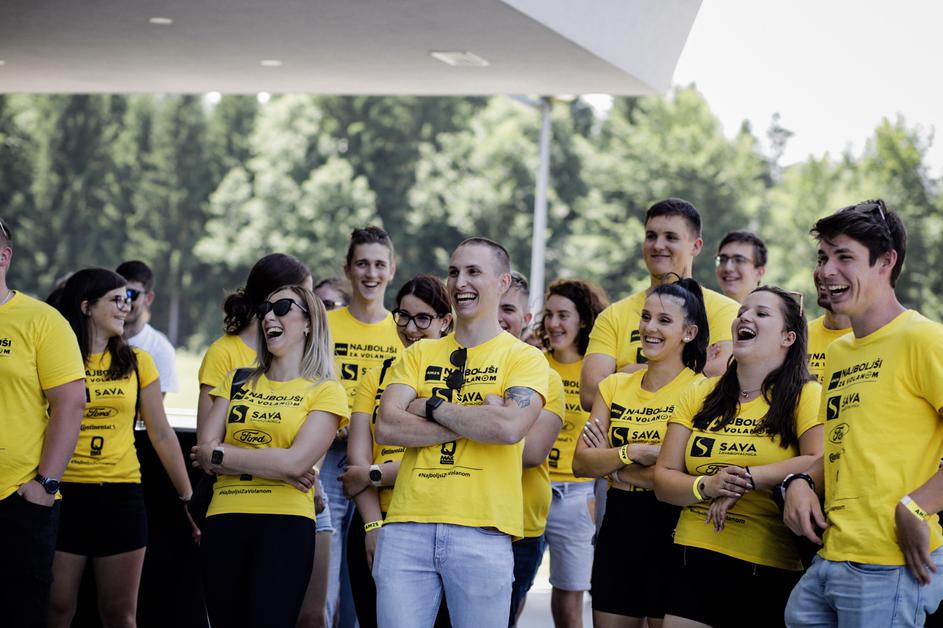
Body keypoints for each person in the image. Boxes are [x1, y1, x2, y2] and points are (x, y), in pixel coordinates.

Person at [374, 237, 549, 628]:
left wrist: (431, 406)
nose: (459, 282)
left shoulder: (525, 358)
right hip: (407, 526)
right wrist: (478, 422)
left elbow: (508, 427)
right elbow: (386, 426)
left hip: (483, 532)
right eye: (454, 272)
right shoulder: (418, 353)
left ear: (503, 282)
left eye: (473, 272)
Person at [784, 200, 943, 626]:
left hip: (892, 564)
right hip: (831, 557)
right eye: (823, 257)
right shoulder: (839, 352)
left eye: (844, 257)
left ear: (886, 261)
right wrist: (800, 481)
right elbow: (847, 448)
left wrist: (916, 506)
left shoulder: (925, 339)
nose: (826, 271)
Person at [654, 286, 823, 627]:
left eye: (761, 313)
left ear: (788, 337)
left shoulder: (806, 394)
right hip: (693, 553)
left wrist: (746, 478)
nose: (745, 317)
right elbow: (663, 479)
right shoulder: (700, 391)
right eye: (742, 311)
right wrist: (707, 485)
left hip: (768, 563)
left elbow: (819, 460)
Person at [192, 285, 349, 628]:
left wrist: (227, 455)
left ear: (309, 323)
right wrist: (279, 465)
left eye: (281, 307)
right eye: (265, 309)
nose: (268, 317)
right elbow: (205, 450)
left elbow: (297, 463)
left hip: (286, 524)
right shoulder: (236, 380)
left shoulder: (327, 390)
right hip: (224, 518)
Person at [48, 268, 195, 628]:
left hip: (121, 496)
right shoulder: (56, 358)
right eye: (116, 299)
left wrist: (189, 497)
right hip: (64, 495)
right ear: (86, 306)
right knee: (57, 608)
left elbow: (161, 434)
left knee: (119, 614)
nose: (125, 307)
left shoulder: (138, 361)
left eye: (128, 299)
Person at [573, 279, 708, 628]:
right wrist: (634, 451)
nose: (649, 327)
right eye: (646, 317)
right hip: (619, 524)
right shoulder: (614, 385)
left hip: (673, 526)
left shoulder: (702, 391)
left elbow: (684, 474)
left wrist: (612, 465)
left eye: (664, 320)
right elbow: (581, 462)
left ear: (689, 332)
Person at [341, 274, 454, 628]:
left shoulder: (456, 379)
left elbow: (445, 458)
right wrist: (373, 525)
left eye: (422, 318)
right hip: (375, 520)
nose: (410, 328)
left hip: (435, 523)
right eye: (403, 316)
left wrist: (375, 474)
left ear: (445, 321)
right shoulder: (375, 377)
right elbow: (357, 462)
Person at [0, 217, 86, 628]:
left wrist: (46, 485)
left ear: (4, 257)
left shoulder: (42, 320)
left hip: (16, 499)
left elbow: (71, 404)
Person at [581, 198, 740, 412]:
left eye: (671, 237)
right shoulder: (613, 315)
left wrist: (625, 373)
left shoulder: (725, 311)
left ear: (696, 246)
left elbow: (722, 379)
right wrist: (694, 367)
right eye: (651, 236)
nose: (657, 245)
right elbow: (590, 393)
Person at [324, 226, 404, 628]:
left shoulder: (401, 330)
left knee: (368, 573)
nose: (371, 274)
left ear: (392, 269)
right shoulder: (324, 324)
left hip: (381, 464)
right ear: (347, 269)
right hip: (327, 457)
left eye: (379, 265)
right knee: (324, 581)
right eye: (362, 264)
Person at [534, 278, 609, 628]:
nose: (553, 323)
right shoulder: (533, 363)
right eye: (548, 314)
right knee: (513, 593)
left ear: (583, 320)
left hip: (578, 495)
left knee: (568, 607)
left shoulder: (596, 373)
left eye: (563, 315)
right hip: (529, 489)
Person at [497, 272, 565, 627]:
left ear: (525, 319)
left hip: (522, 525)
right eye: (494, 305)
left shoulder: (546, 376)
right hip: (465, 519)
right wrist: (500, 420)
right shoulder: (457, 364)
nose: (499, 316)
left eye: (508, 309)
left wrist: (464, 423)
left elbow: (532, 452)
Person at [115, 260, 179, 395]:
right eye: (118, 294)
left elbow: (153, 406)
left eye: (131, 294)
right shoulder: (95, 339)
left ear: (148, 298)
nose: (125, 301)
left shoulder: (160, 349)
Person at [805, 264, 851, 385]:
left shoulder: (879, 338)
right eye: (822, 261)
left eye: (843, 260)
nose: (825, 272)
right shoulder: (799, 337)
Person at [715, 230, 767, 304]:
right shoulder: (704, 308)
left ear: (759, 272)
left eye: (739, 260)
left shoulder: (776, 310)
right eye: (723, 259)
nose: (728, 268)